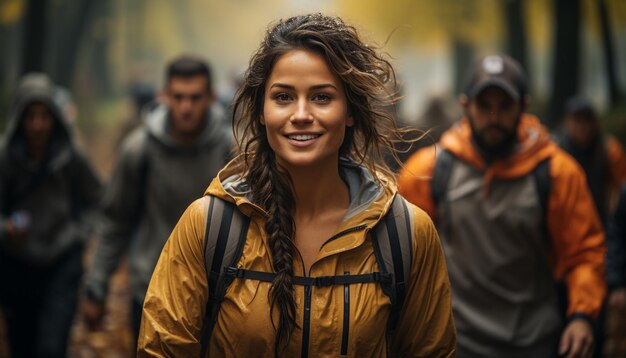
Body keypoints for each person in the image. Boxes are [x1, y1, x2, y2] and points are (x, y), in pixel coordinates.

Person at [138, 13, 456, 357]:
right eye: (283, 97)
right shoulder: (208, 227)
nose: (301, 114)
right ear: (261, 111)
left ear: (349, 111)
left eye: (321, 97)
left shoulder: (405, 234)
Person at [399, 54, 606, 358]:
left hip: (535, 343)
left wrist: (582, 317)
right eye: (484, 106)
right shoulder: (429, 171)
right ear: (465, 105)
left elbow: (584, 253)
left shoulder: (556, 173)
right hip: (456, 342)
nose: (493, 117)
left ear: (524, 106)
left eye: (504, 106)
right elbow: (402, 255)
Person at [80, 56, 233, 345]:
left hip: (219, 297)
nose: (186, 107)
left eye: (195, 97)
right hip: (151, 290)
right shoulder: (139, 150)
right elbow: (115, 220)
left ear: (211, 98)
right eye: (178, 97)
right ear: (164, 96)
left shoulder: (231, 150)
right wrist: (96, 288)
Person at [0, 73, 103, 357]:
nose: (38, 125)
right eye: (30, 116)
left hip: (61, 263)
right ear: (19, 118)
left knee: (51, 347)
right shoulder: (5, 156)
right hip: (15, 265)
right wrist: (5, 228)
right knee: (22, 345)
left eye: (44, 115)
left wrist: (79, 235)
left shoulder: (70, 155)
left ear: (55, 117)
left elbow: (97, 200)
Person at [556, 96, 626, 225]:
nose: (583, 126)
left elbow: (621, 187)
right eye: (577, 121)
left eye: (587, 120)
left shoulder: (609, 150)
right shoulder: (556, 150)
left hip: (602, 220)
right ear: (567, 122)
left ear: (595, 123)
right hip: (566, 221)